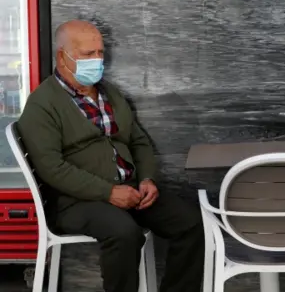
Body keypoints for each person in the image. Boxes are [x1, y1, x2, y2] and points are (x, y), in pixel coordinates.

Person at [17, 20, 204, 292]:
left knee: (189, 224)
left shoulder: (109, 94)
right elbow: (52, 168)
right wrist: (108, 192)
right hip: (76, 202)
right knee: (123, 233)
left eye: (100, 53)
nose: (97, 60)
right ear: (62, 57)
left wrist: (148, 178)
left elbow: (138, 140)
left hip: (131, 190)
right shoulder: (42, 105)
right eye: (87, 54)